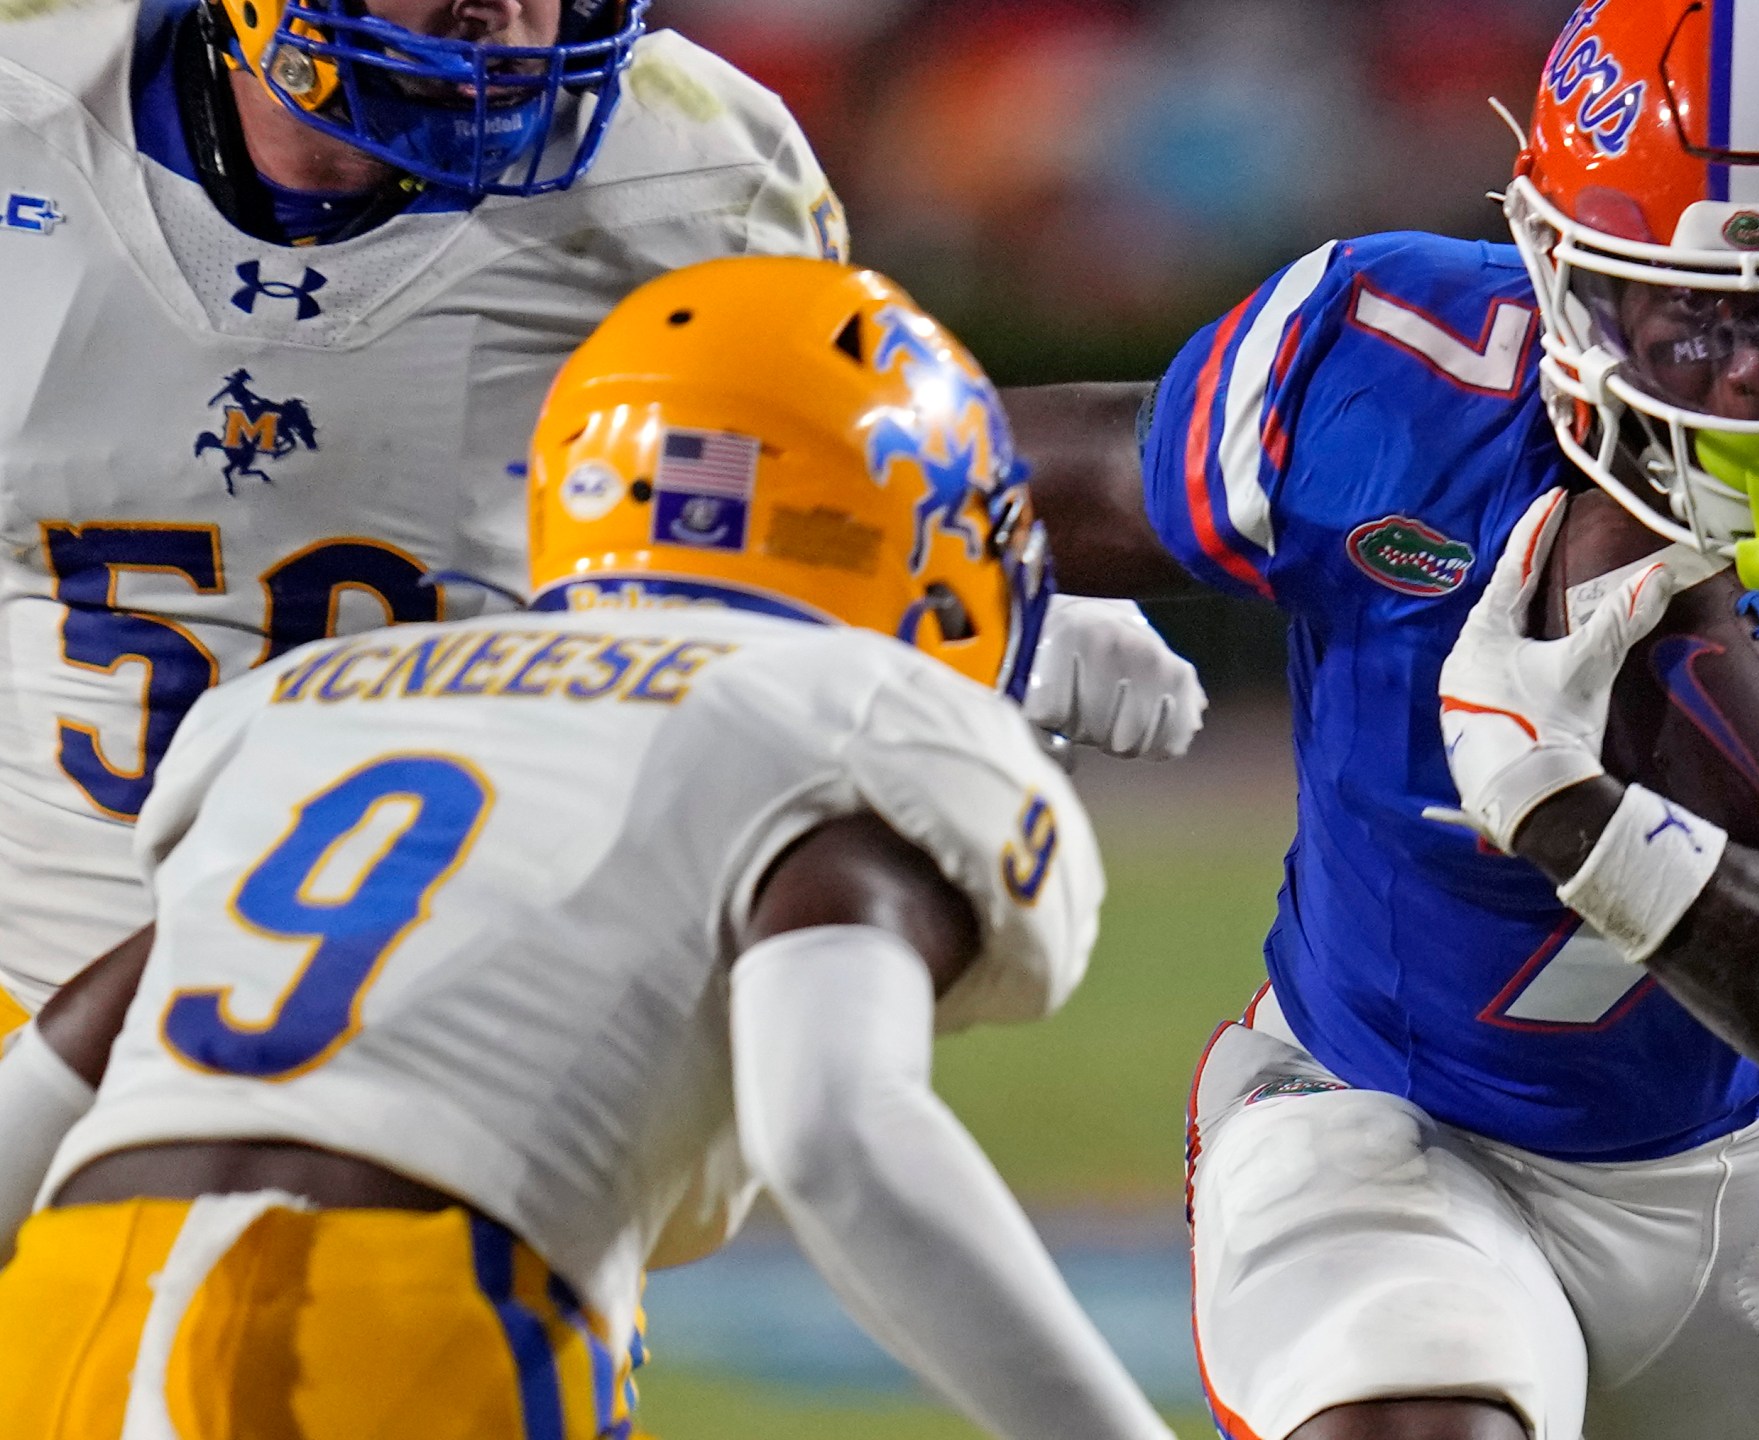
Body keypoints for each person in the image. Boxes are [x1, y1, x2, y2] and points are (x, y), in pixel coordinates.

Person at [1008, 1, 1759, 1436]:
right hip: (1384, 1113)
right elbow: (929, 461)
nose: (1757, 373)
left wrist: (1581, 822)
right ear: (1559, 272)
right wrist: (990, 581)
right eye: (1692, 312)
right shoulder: (1377, 375)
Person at [0, 258, 1176, 1440]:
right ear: (901, 525)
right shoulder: (859, 712)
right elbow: (832, 1132)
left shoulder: (317, 696)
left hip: (71, 1310)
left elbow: (73, 1058)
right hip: (396, 1319)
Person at [0, 0, 1205, 1042]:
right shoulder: (29, 112)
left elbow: (795, 502)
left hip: (474, 1024)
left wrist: (962, 598)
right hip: (29, 983)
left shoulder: (697, 169)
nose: (511, 16)